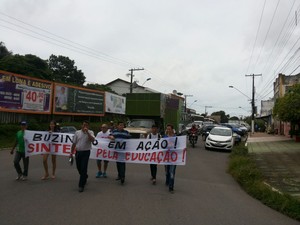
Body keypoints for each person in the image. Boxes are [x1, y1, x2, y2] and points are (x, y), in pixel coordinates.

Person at [70, 121, 95, 192]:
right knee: (79, 167)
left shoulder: (91, 132)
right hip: (78, 152)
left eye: (86, 125)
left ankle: (81, 185)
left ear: (88, 126)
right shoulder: (77, 132)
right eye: (84, 125)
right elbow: (74, 143)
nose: (85, 127)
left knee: (84, 167)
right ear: (81, 125)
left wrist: (87, 132)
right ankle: (84, 176)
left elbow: (92, 140)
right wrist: (71, 153)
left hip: (86, 152)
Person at [164, 124, 177, 193]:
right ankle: (167, 181)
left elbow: (179, 146)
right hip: (166, 157)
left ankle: (171, 187)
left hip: (173, 158)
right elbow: (162, 146)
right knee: (167, 171)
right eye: (167, 129)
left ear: (172, 129)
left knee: (172, 172)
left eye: (169, 129)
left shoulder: (176, 138)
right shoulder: (165, 137)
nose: (168, 130)